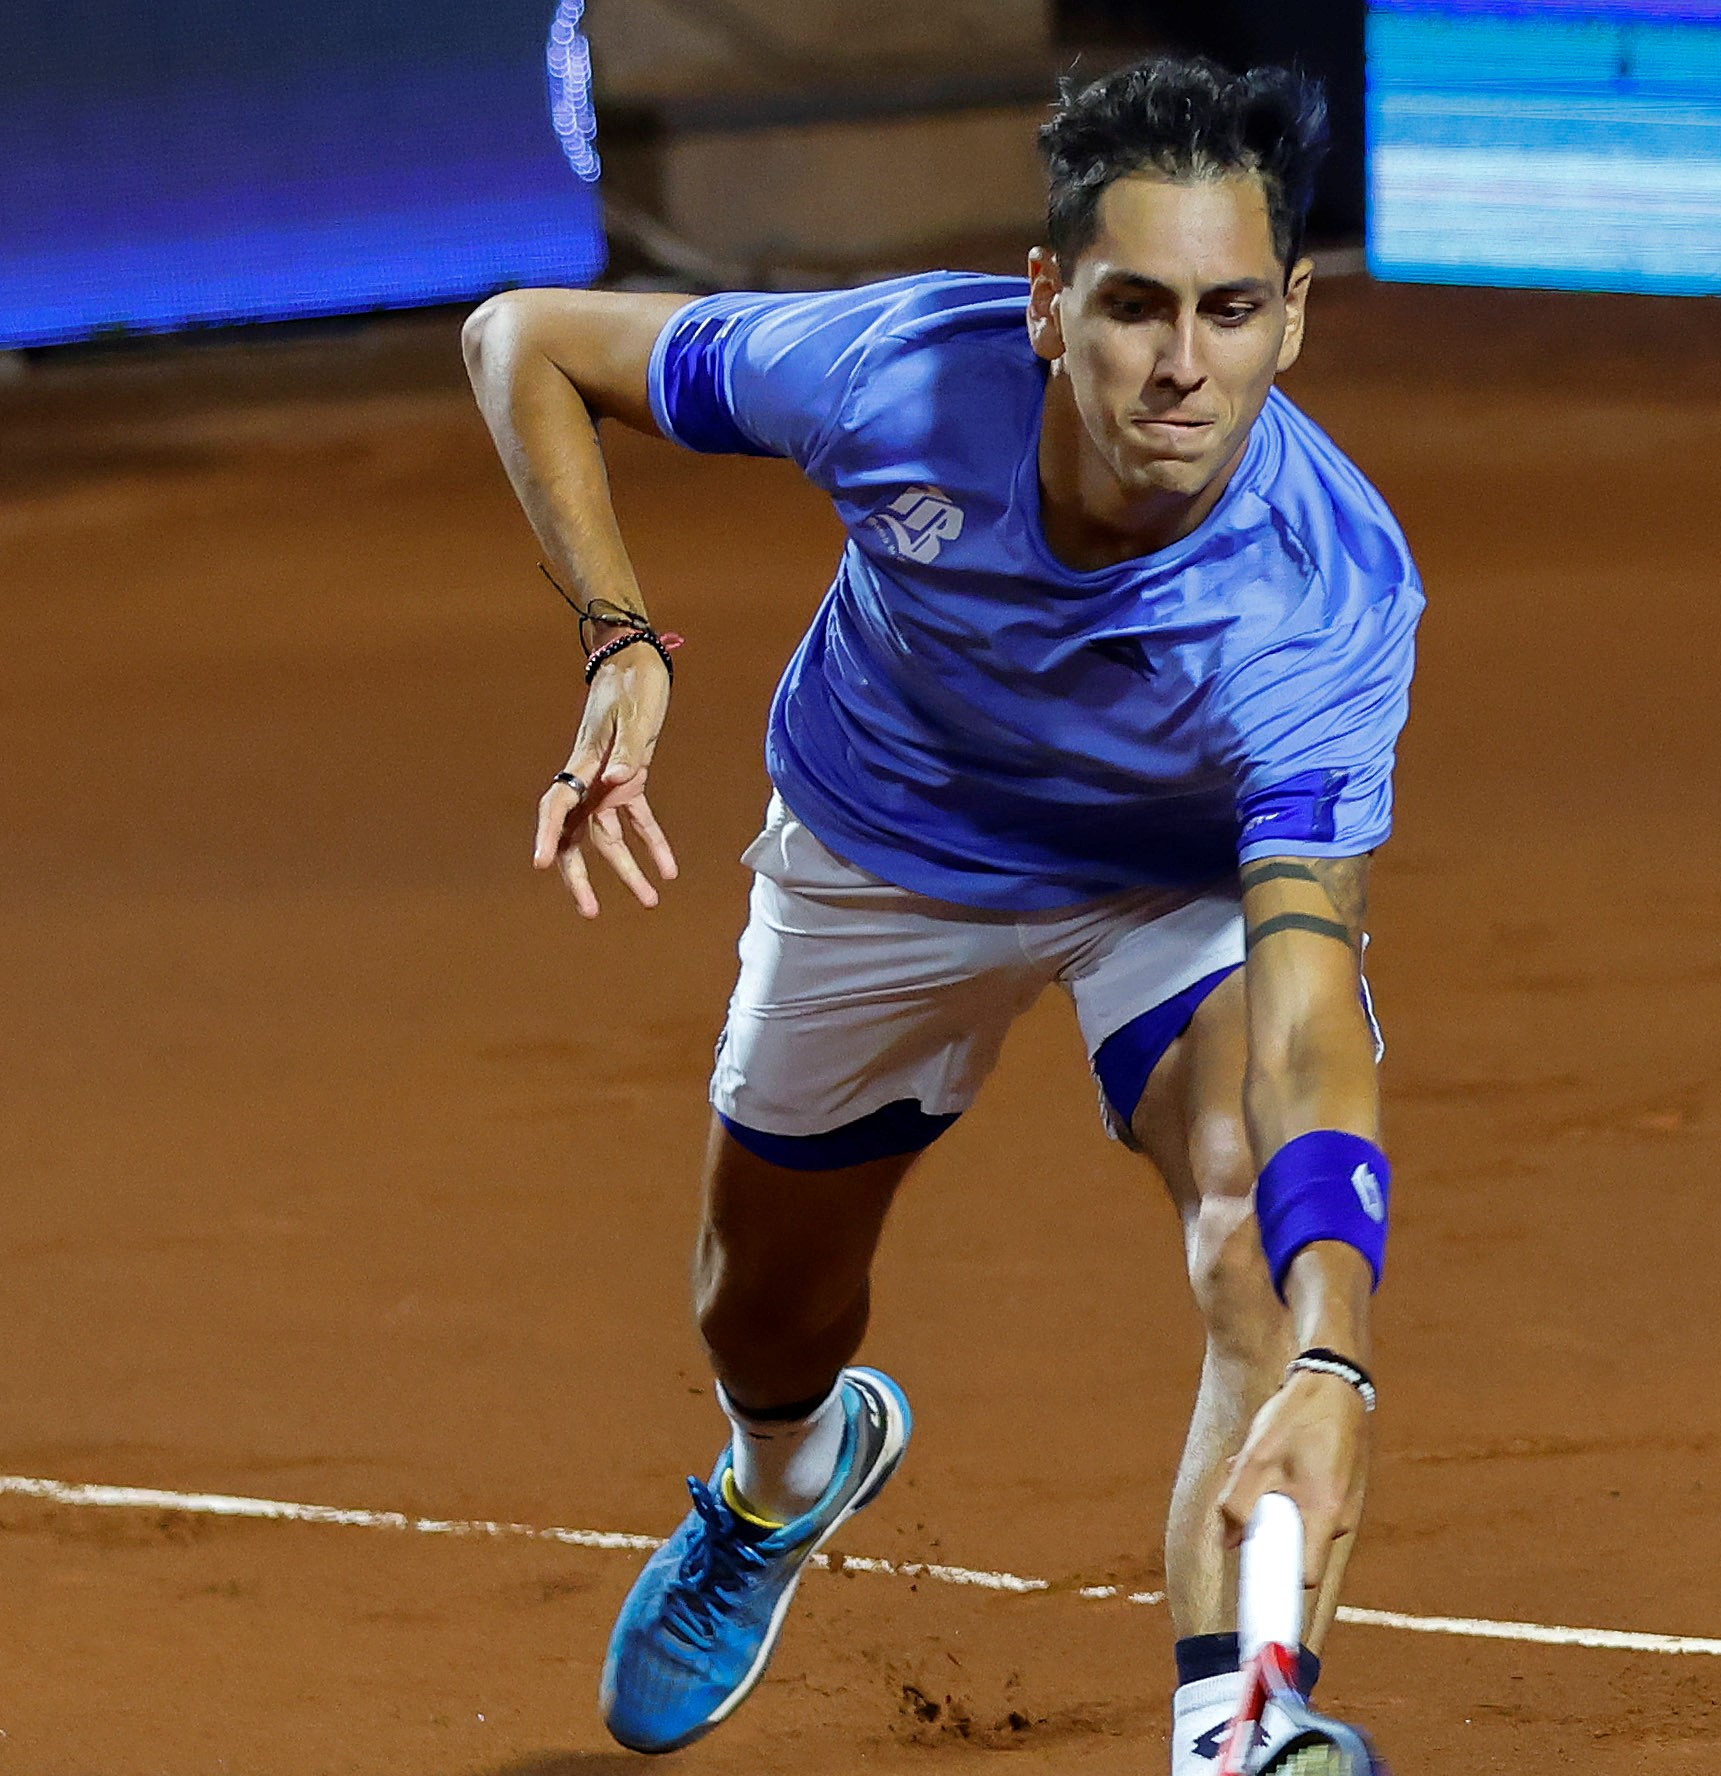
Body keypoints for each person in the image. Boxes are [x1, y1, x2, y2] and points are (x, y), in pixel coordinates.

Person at [461, 55, 1420, 1774]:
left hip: (1165, 883)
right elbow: (521, 337)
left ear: (1296, 317)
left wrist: (1334, 1356)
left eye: (1227, 310)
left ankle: (1236, 1725)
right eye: (1132, 306)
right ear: (1048, 305)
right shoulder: (895, 374)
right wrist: (618, 638)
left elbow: (1300, 1008)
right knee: (762, 1314)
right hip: (880, 857)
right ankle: (788, 1479)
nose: (1181, 366)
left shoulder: (1319, 600)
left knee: (1243, 1245)